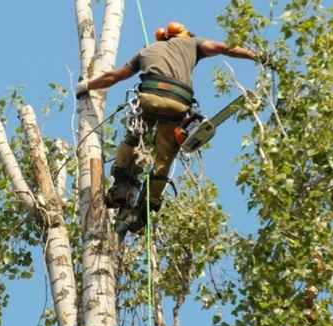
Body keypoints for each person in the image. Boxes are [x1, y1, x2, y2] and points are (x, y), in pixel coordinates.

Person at [76, 22, 261, 235]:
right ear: (184, 34)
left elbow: (113, 76)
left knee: (133, 138)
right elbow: (224, 48)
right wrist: (257, 55)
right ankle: (143, 212)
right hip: (177, 103)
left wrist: (86, 86)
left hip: (149, 99)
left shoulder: (146, 50)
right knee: (164, 158)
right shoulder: (193, 43)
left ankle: (121, 188)